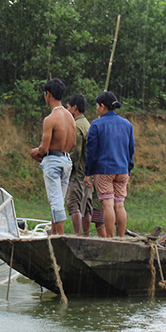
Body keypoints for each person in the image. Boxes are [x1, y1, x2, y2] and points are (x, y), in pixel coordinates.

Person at [84, 91, 135, 237]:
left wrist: (88, 173)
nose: (96, 109)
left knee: (107, 205)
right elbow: (131, 149)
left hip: (104, 170)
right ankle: (121, 238)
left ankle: (110, 239)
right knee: (119, 205)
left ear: (102, 106)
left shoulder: (96, 124)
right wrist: (128, 169)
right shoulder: (127, 124)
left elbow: (92, 152)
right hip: (122, 169)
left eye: (97, 106)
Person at [30, 78, 75, 235]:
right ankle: (55, 234)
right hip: (67, 160)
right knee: (59, 201)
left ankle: (59, 238)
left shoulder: (50, 119)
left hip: (53, 162)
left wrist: (35, 152)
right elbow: (73, 143)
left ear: (48, 94)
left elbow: (44, 148)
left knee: (55, 203)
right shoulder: (70, 117)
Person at [66, 93, 93, 236]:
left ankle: (77, 235)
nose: (67, 110)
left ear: (75, 108)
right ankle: (86, 236)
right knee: (86, 207)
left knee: (73, 205)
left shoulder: (76, 126)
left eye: (68, 107)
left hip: (77, 174)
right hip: (88, 174)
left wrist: (66, 168)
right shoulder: (88, 125)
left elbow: (75, 152)